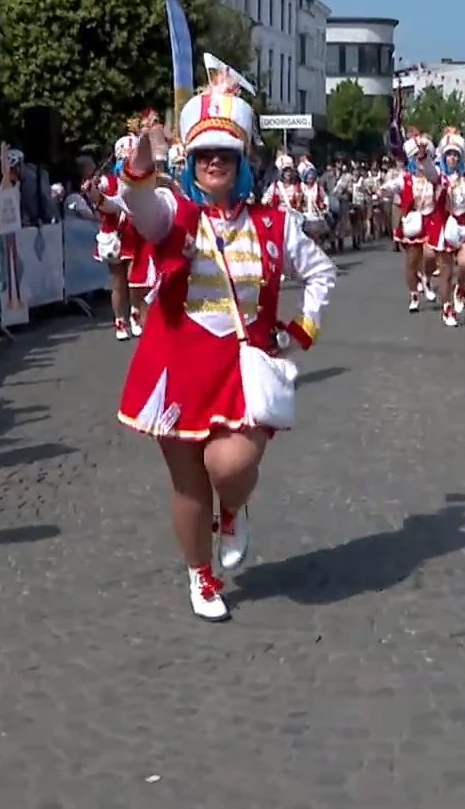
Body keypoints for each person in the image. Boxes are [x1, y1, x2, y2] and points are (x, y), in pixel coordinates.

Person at [109, 74, 335, 622]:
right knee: (188, 482)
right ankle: (200, 574)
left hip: (242, 367)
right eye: (206, 153)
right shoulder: (175, 213)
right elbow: (143, 207)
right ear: (192, 160)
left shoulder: (275, 224)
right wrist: (139, 165)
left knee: (229, 465)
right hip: (176, 364)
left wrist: (300, 330)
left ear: (242, 161)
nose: (215, 163)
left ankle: (232, 508)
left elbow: (322, 273)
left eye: (227, 155)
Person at [94, 124, 159, 341]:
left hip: (136, 234)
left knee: (135, 279)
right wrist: (92, 190)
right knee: (118, 282)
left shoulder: (140, 184)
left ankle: (135, 314)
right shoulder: (109, 181)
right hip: (114, 235)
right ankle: (119, 321)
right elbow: (102, 201)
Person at [393, 132, 445, 312]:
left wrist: (424, 159)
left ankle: (427, 280)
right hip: (412, 221)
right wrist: (382, 190)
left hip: (430, 219)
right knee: (411, 261)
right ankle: (414, 295)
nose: (418, 160)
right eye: (415, 157)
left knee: (430, 255)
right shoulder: (405, 178)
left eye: (421, 156)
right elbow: (394, 186)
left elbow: (433, 173)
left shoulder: (433, 175)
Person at [430, 129, 465, 326]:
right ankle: (447, 309)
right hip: (444, 227)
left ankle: (461, 288)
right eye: (449, 154)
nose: (452, 158)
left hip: (464, 225)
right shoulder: (438, 175)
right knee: (446, 274)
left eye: (455, 155)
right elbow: (429, 171)